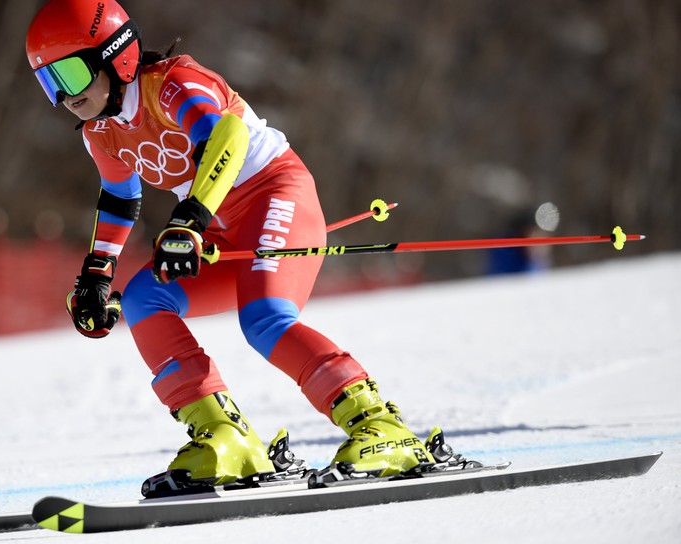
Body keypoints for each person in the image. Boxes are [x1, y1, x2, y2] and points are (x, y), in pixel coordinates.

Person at [25, 0, 437, 487]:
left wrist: (189, 219)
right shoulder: (100, 129)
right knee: (142, 299)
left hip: (276, 193)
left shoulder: (174, 83)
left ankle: (379, 427)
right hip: (216, 225)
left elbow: (226, 137)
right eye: (50, 82)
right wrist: (97, 274)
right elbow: (119, 195)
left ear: (116, 56)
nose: (64, 96)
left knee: (263, 318)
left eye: (71, 74)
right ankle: (225, 437)